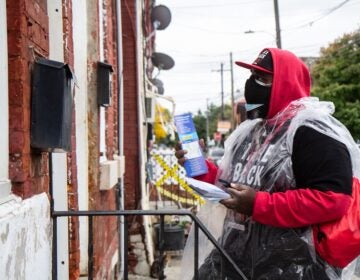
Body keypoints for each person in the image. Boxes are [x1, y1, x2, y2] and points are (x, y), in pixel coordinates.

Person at [175, 48, 360, 279]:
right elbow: (231, 185)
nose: (252, 85)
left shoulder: (311, 131)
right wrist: (199, 168)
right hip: (234, 257)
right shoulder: (252, 132)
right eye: (252, 77)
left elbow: (334, 200)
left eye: (262, 79)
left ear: (286, 83)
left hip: (291, 267)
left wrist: (258, 204)